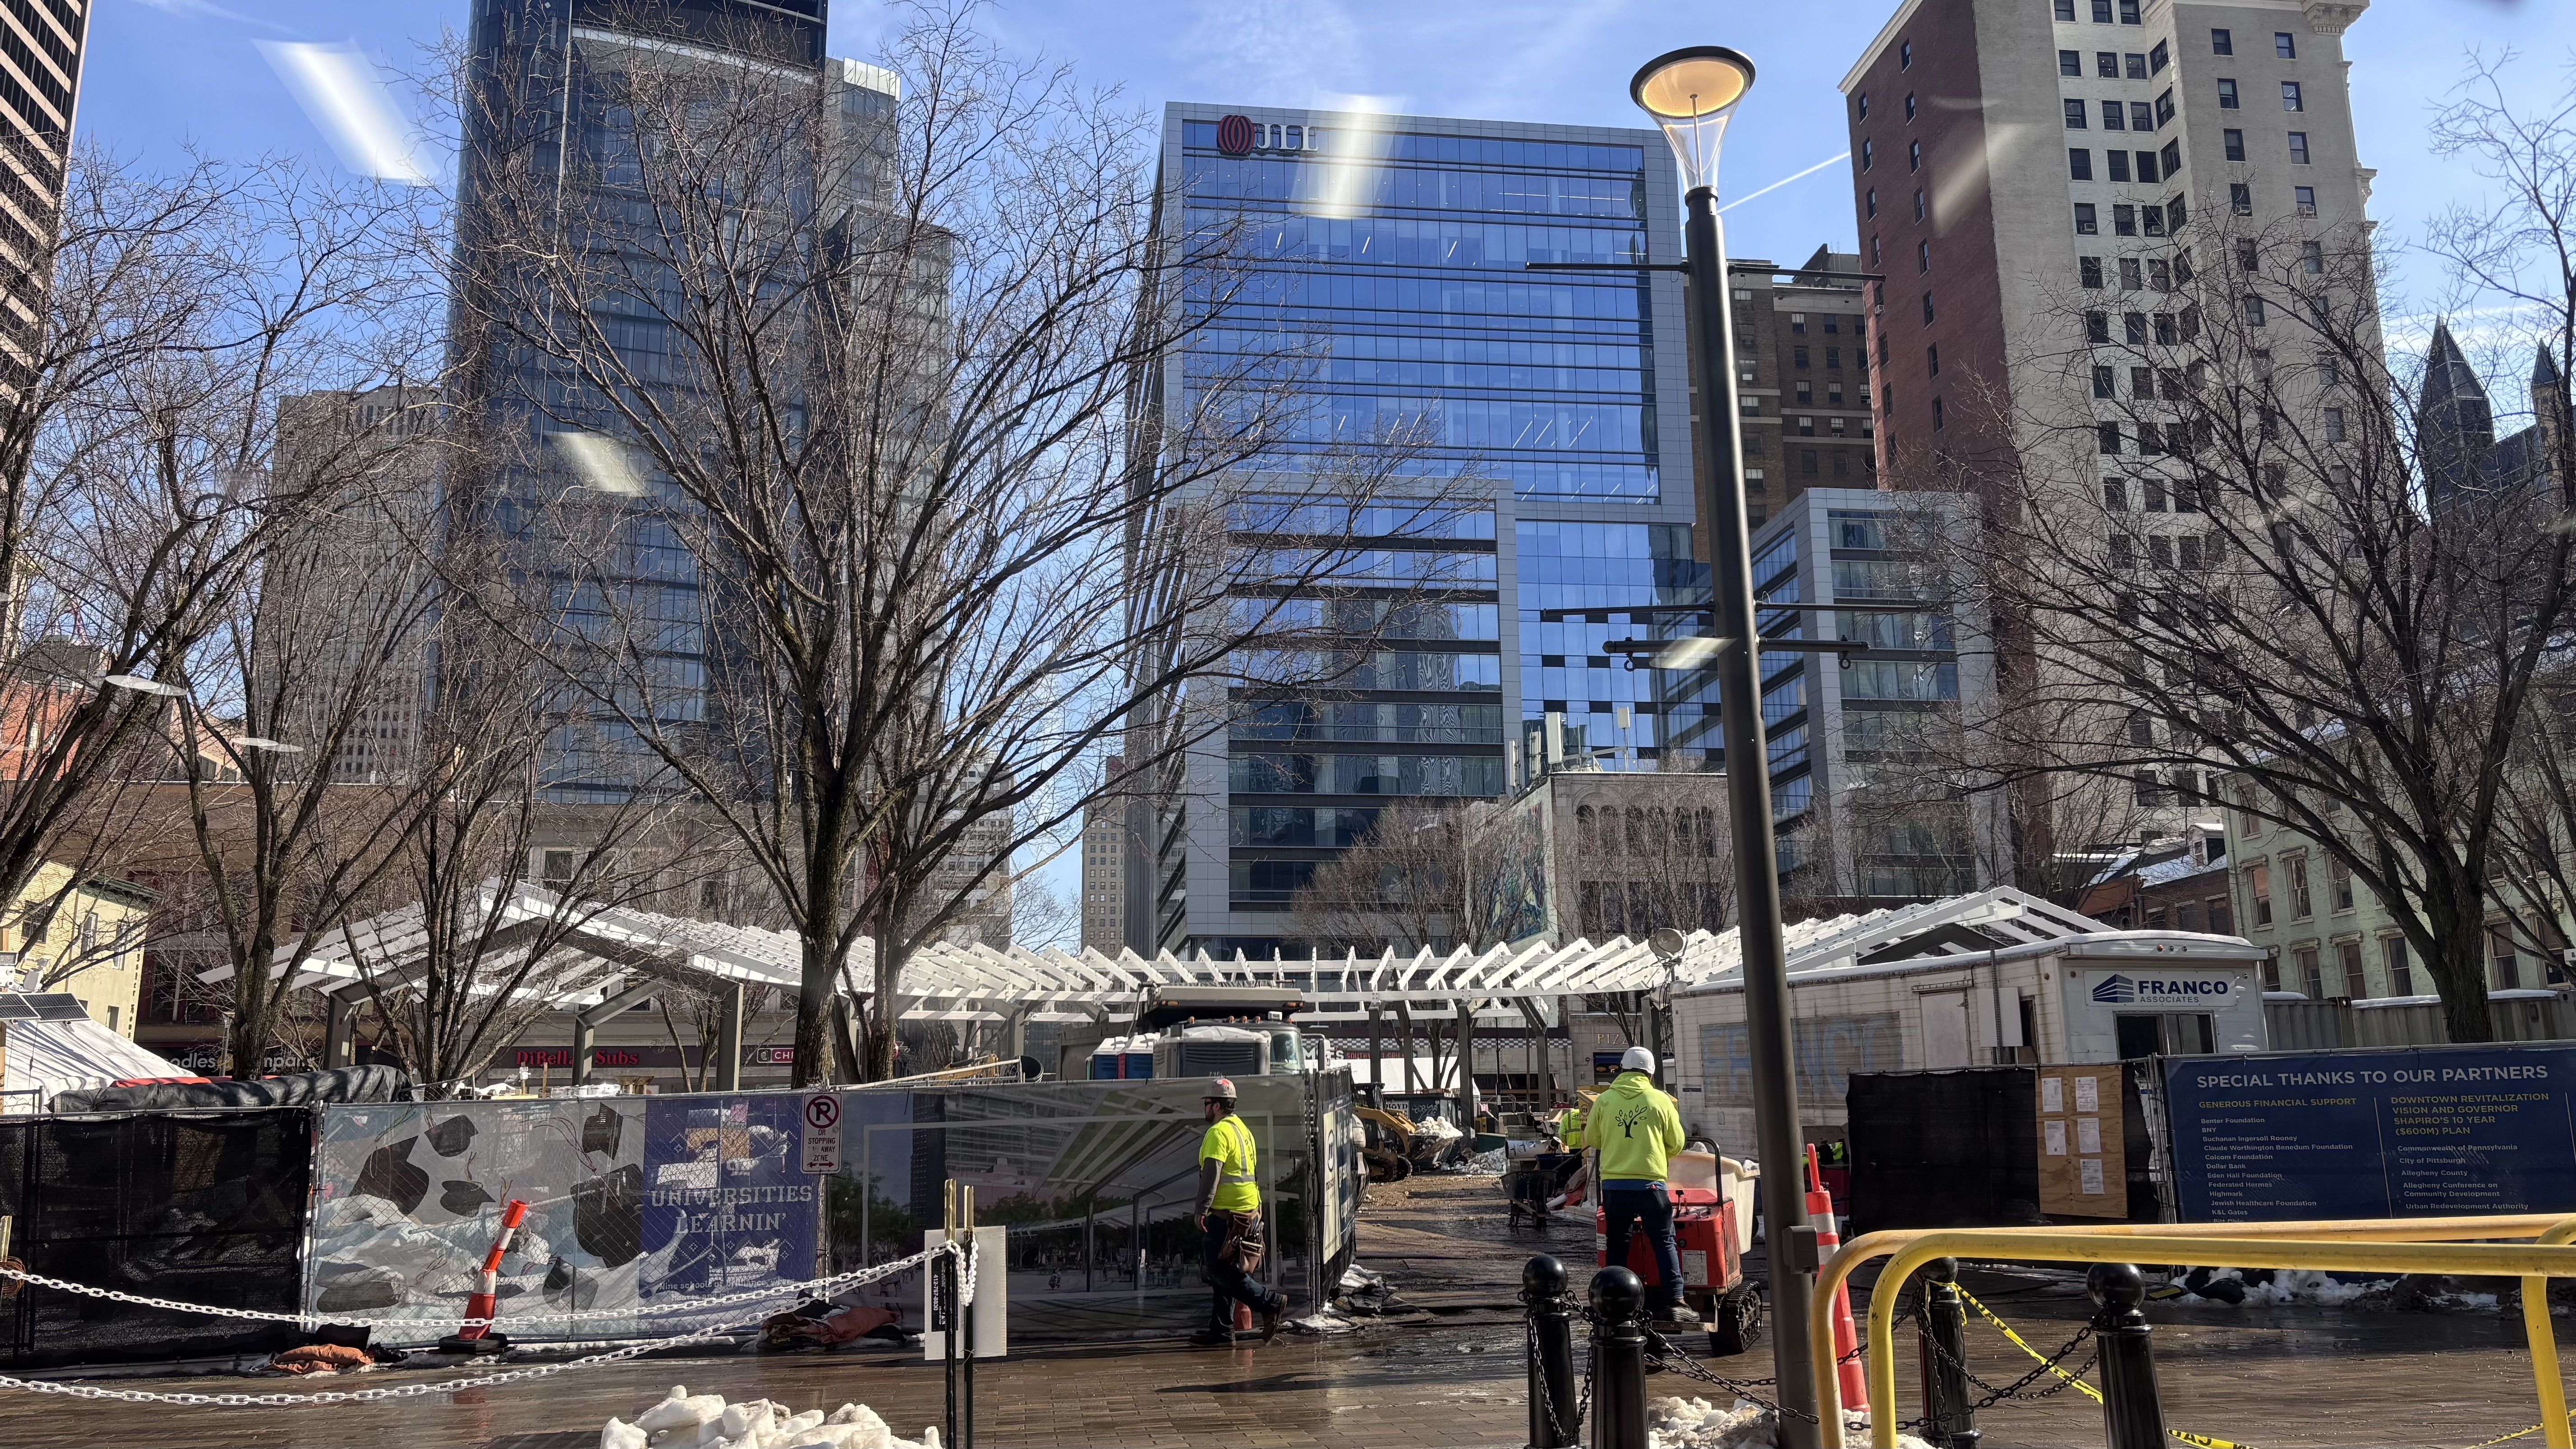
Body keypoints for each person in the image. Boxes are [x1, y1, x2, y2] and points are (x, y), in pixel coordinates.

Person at [1593, 1046, 1697, 1327]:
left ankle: (1615, 1301)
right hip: (1651, 1185)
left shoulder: (1605, 1100)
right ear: (1650, 1074)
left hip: (1614, 1186)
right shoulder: (1660, 1100)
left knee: (1617, 1242)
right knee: (1664, 1241)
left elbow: (1593, 1138)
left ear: (1622, 1070)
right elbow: (1676, 1144)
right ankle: (1676, 1301)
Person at [1191, 1077, 1286, 1346]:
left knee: (1219, 1271)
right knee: (1227, 1271)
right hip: (1248, 1215)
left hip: (1225, 1217)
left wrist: (1201, 1210)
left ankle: (1271, 1303)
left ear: (1217, 1106)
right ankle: (1221, 1330)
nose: (1205, 1108)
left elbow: (1212, 1174)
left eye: (1207, 1103)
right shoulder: (1243, 1130)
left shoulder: (1218, 1133)